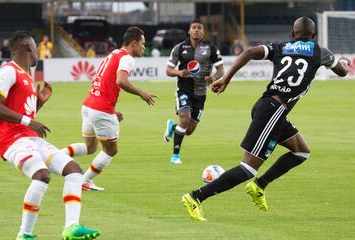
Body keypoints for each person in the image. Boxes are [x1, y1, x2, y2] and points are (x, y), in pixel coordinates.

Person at [181, 16, 350, 221]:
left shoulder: (282, 47)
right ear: (313, 36)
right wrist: (342, 61)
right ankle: (195, 197)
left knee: (302, 151)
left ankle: (259, 186)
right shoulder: (320, 52)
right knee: (248, 168)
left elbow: (250, 51)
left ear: (292, 33)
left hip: (271, 108)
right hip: (273, 111)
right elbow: (341, 72)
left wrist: (226, 78)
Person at [0, 31, 100, 239]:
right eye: (35, 48)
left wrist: (39, 103)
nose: (38, 54)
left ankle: (71, 227)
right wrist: (29, 120)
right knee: (41, 175)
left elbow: (23, 113)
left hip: (30, 138)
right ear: (28, 47)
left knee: (74, 170)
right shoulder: (8, 71)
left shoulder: (26, 76)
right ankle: (24, 234)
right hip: (12, 140)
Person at [62, 26, 156, 191]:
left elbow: (108, 82)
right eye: (143, 43)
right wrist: (142, 93)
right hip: (100, 108)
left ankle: (55, 156)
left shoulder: (113, 53)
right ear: (134, 43)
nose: (144, 47)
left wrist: (112, 111)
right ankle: (84, 181)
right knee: (111, 150)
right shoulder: (127, 58)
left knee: (91, 147)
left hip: (89, 105)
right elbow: (121, 80)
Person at [163, 19, 224, 164]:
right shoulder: (179, 48)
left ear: (203, 31)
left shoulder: (211, 48)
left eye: (199, 28)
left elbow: (221, 70)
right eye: (194, 27)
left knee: (189, 130)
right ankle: (175, 156)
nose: (196, 30)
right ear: (189, 31)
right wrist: (179, 73)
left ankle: (172, 126)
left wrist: (213, 78)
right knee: (184, 118)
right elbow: (168, 70)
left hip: (201, 93)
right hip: (184, 89)